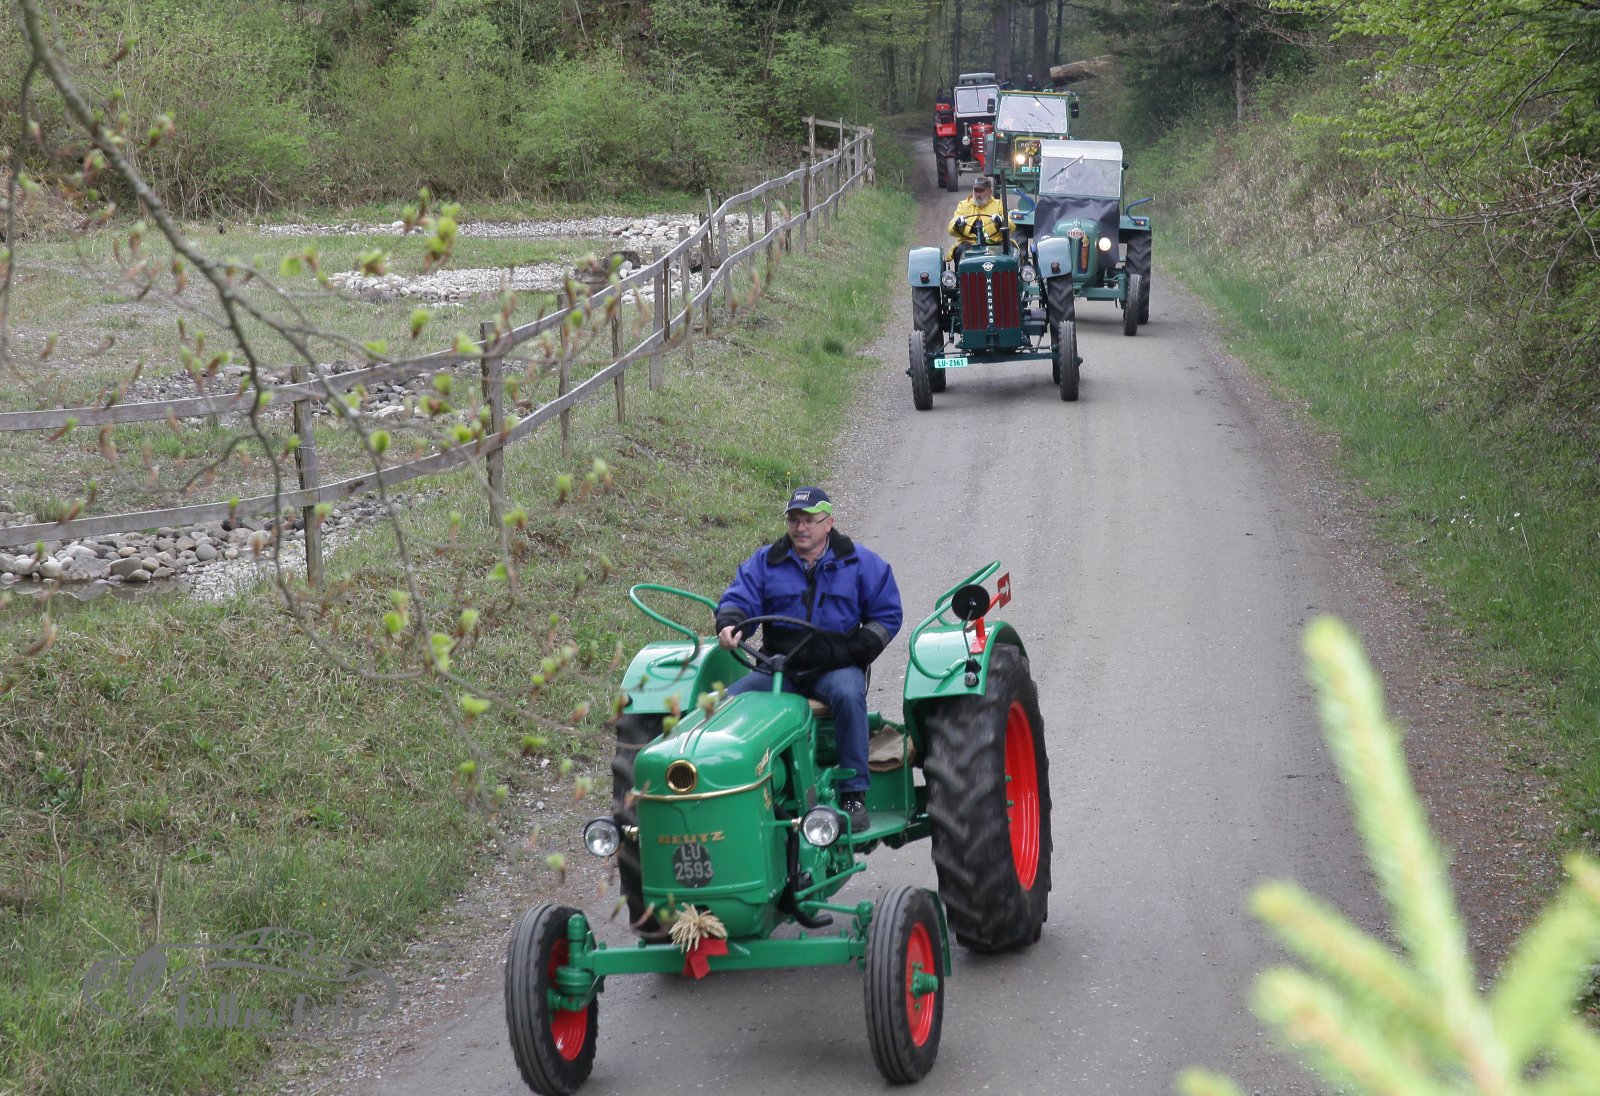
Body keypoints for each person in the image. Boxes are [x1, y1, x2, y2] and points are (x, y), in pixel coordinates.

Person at [714, 487, 902, 832]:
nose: (800, 528)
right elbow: (740, 599)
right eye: (794, 520)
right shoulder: (766, 562)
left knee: (849, 696)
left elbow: (887, 616)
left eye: (809, 521)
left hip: (836, 665)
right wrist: (730, 624)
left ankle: (853, 794)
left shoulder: (860, 563)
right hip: (780, 667)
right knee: (727, 706)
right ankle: (732, 793)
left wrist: (856, 650)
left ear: (828, 523)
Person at [947, 176, 1005, 263]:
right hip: (970, 242)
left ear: (989, 192)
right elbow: (951, 228)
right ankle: (960, 272)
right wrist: (958, 223)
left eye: (981, 191)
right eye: (976, 191)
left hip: (994, 242)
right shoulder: (963, 205)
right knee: (959, 250)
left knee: (1010, 248)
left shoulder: (998, 204)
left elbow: (1010, 225)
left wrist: (1000, 220)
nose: (978, 194)